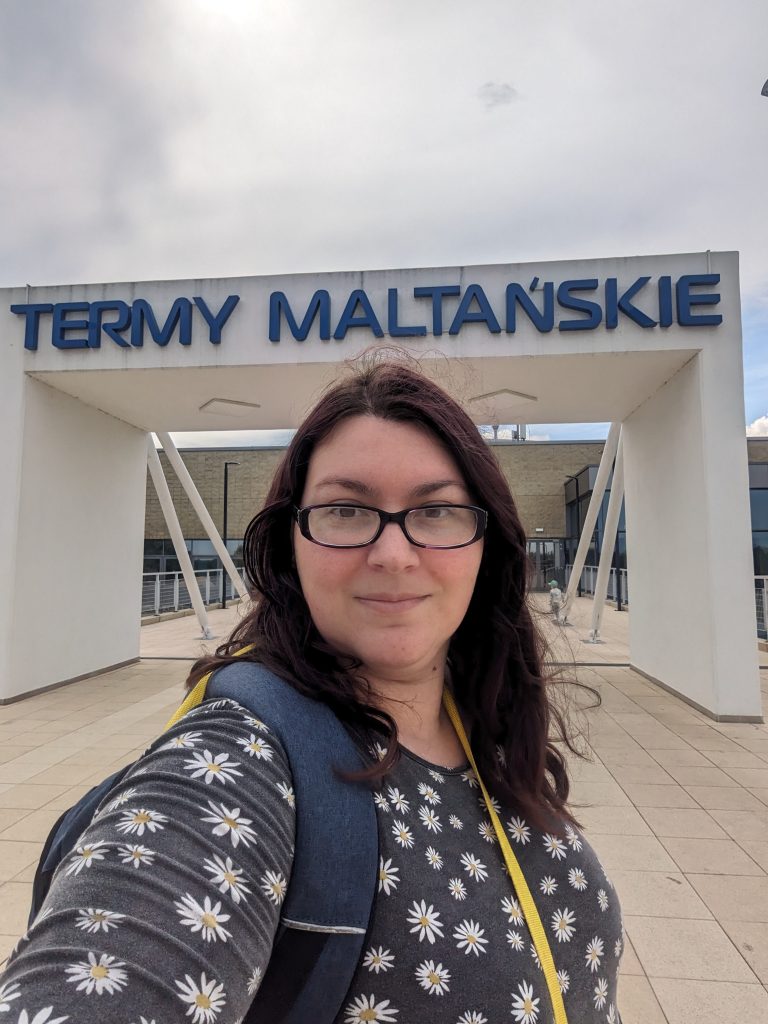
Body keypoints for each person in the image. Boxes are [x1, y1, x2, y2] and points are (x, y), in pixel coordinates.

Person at [0, 358, 623, 1023]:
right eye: (347, 509)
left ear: (486, 543)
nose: (392, 554)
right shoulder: (239, 758)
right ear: (290, 541)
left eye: (436, 510)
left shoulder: (482, 725)